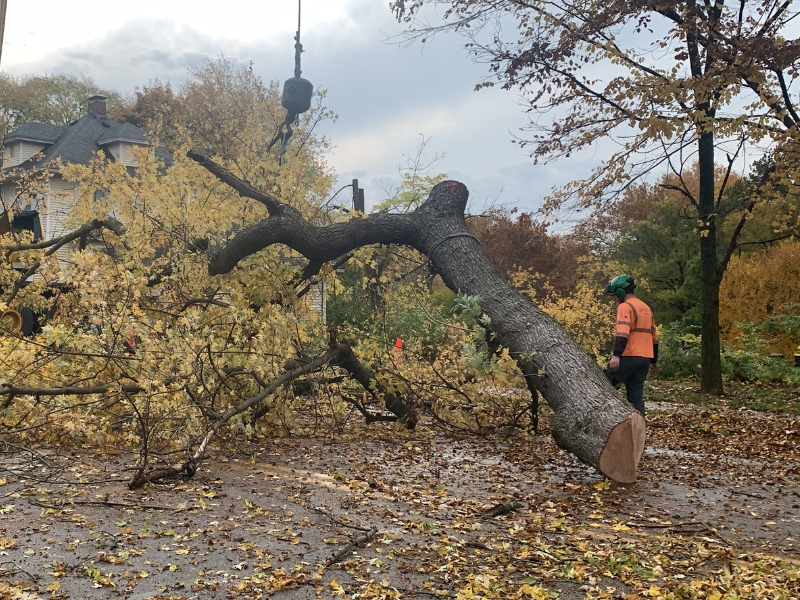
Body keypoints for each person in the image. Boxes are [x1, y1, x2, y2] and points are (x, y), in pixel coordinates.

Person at [603, 275, 658, 416]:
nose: (615, 299)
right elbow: (654, 338)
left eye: (615, 295)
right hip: (645, 358)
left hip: (629, 355)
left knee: (602, 383)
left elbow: (622, 333)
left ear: (621, 292)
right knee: (635, 396)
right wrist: (653, 361)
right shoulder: (646, 308)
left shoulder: (625, 307)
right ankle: (639, 429)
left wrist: (616, 356)